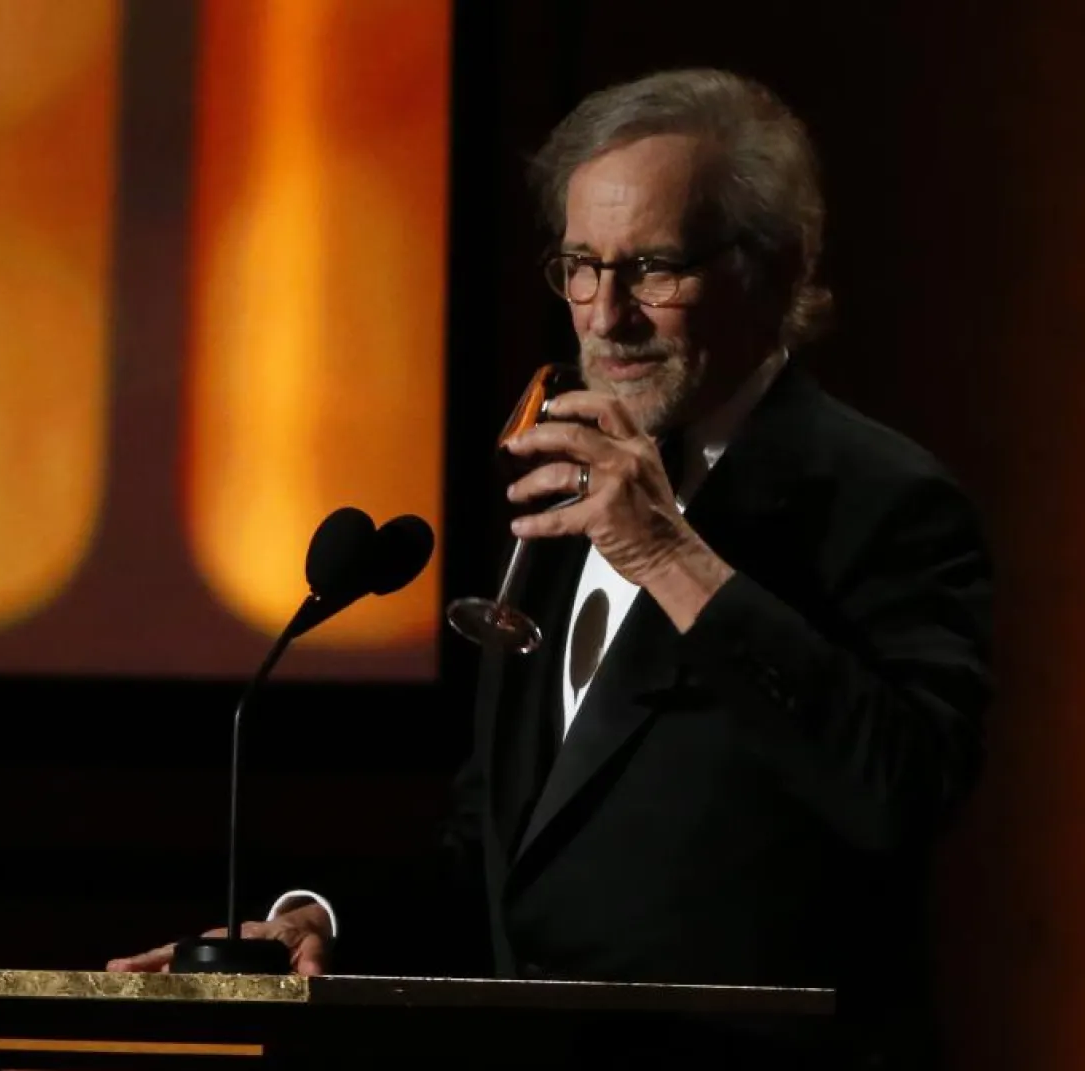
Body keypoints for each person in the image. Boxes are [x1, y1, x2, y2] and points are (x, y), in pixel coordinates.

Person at [110, 68, 992, 1069]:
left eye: (653, 268)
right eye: (581, 265)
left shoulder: (883, 500)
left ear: (777, 272)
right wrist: (328, 927)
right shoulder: (566, 487)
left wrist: (666, 553)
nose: (605, 315)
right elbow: (507, 854)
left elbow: (902, 789)